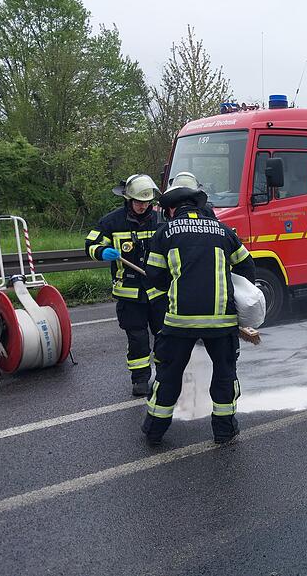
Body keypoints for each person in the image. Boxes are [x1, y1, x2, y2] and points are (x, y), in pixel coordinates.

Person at [141, 180, 256, 445]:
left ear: (171, 209)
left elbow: (154, 276)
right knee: (225, 373)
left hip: (179, 322)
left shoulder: (165, 233)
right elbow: (247, 268)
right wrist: (233, 300)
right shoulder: (223, 230)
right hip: (222, 322)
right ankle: (224, 431)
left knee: (169, 375)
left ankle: (154, 431)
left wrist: (169, 302)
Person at [85, 174, 166, 396]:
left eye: (146, 202)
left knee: (164, 335)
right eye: (138, 202)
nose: (142, 206)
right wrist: (102, 251)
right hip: (129, 293)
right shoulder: (111, 221)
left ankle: (164, 376)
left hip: (159, 291)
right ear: (128, 199)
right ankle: (140, 380)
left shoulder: (161, 220)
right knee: (137, 337)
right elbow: (90, 244)